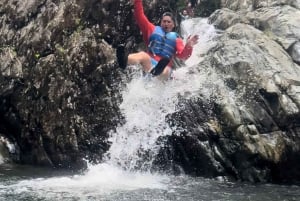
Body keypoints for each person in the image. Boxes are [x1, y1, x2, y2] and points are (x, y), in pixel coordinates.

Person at [116, 0, 199, 80]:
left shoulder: (177, 39)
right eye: (164, 21)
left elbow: (183, 56)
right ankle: (124, 61)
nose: (166, 23)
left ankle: (157, 71)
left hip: (164, 69)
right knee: (143, 55)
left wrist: (189, 46)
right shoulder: (151, 29)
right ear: (161, 23)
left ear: (173, 25)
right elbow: (139, 16)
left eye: (168, 22)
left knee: (166, 70)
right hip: (150, 63)